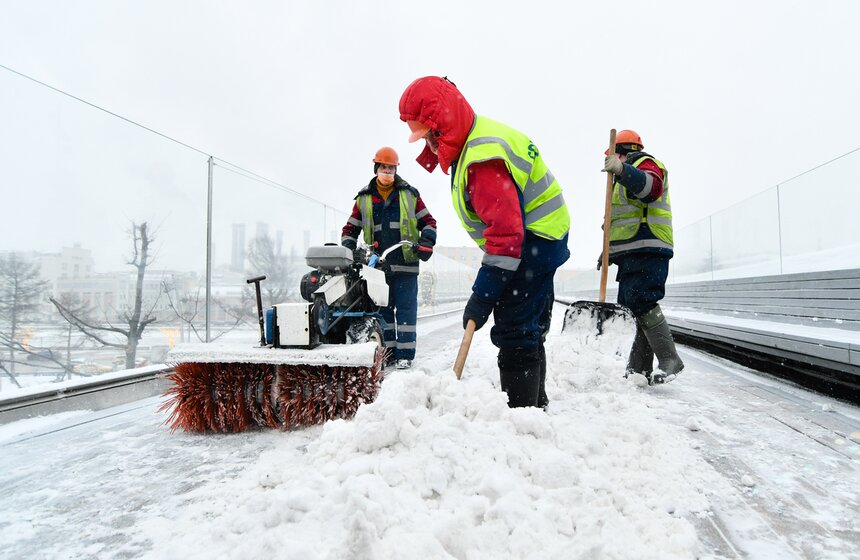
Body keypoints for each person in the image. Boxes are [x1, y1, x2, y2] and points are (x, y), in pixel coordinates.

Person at [399, 76, 570, 408]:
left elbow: (506, 239)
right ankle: (537, 405)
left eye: (428, 136)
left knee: (515, 330)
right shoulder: (475, 140)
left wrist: (482, 296)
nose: (429, 146)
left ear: (441, 126)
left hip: (533, 243)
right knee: (528, 327)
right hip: (542, 239)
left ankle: (524, 417)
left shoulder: (482, 160)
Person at [341, 146, 437, 369]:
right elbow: (350, 229)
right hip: (377, 268)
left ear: (396, 170)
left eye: (391, 168)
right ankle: (388, 353)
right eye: (384, 167)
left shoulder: (410, 195)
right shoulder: (364, 198)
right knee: (382, 312)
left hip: (406, 263)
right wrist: (349, 249)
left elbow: (429, 223)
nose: (387, 172)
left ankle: (405, 355)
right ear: (376, 169)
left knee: (405, 311)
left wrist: (426, 242)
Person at [601, 129, 684, 383]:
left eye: (615, 156)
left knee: (643, 300)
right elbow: (620, 221)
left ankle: (670, 359)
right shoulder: (621, 178)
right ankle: (638, 368)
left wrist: (623, 170)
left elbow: (651, 188)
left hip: (649, 246)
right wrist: (607, 252)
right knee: (632, 306)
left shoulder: (645, 164)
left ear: (624, 153)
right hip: (631, 251)